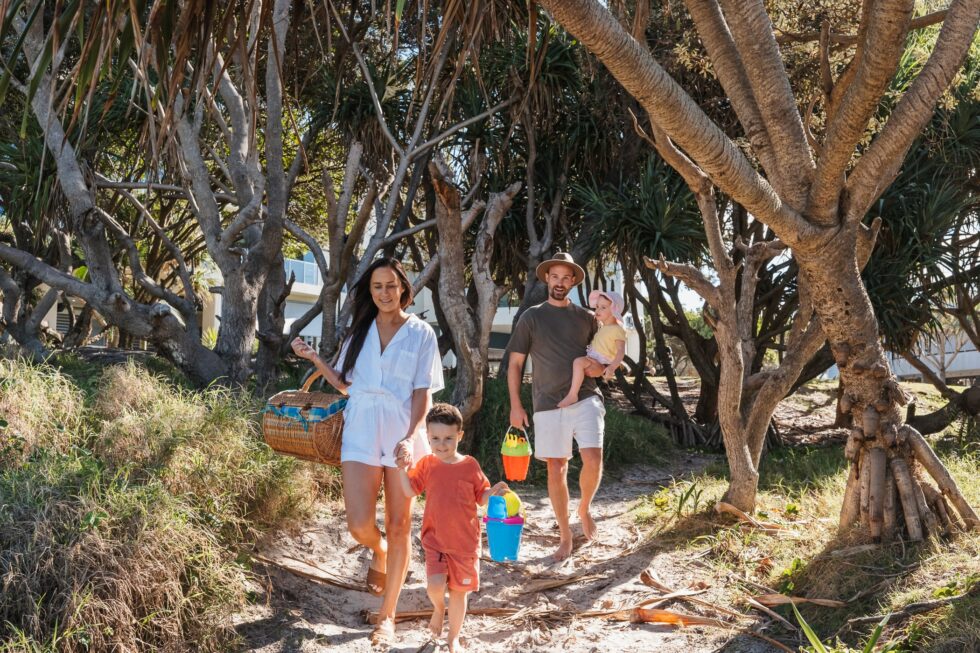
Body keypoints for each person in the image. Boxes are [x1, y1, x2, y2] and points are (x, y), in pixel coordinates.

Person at [290, 257, 443, 645]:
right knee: (359, 525)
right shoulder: (360, 329)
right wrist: (314, 359)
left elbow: (423, 394)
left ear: (404, 289)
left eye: (391, 285)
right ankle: (380, 551)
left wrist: (411, 436)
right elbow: (344, 385)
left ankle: (387, 616)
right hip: (361, 426)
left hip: (401, 430)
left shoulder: (422, 333)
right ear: (369, 291)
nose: (384, 293)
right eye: (377, 286)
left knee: (399, 524)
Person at [506, 252, 604, 561]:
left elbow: (601, 361)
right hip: (547, 402)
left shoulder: (588, 318)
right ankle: (564, 535)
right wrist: (515, 406)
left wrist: (599, 370)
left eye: (566, 277)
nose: (560, 282)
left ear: (573, 281)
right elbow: (515, 365)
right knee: (557, 467)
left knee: (593, 458)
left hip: (586, 396)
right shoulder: (532, 317)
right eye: (555, 277)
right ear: (547, 279)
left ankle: (584, 508)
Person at [393, 403, 508, 653]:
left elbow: (481, 496)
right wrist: (402, 470)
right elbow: (410, 490)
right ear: (428, 436)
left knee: (459, 592)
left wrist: (494, 491)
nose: (441, 444)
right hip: (434, 539)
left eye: (448, 438)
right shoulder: (427, 464)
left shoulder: (470, 465)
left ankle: (453, 638)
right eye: (435, 438)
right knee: (435, 585)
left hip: (465, 543)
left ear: (460, 436)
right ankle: (437, 608)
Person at [556, 289, 627, 409]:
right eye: (597, 306)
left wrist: (612, 367)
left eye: (603, 307)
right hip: (595, 357)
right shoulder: (605, 327)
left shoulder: (617, 329)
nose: (597, 310)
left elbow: (621, 351)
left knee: (578, 362)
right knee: (574, 366)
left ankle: (573, 395)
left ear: (614, 310)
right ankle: (569, 391)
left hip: (600, 360)